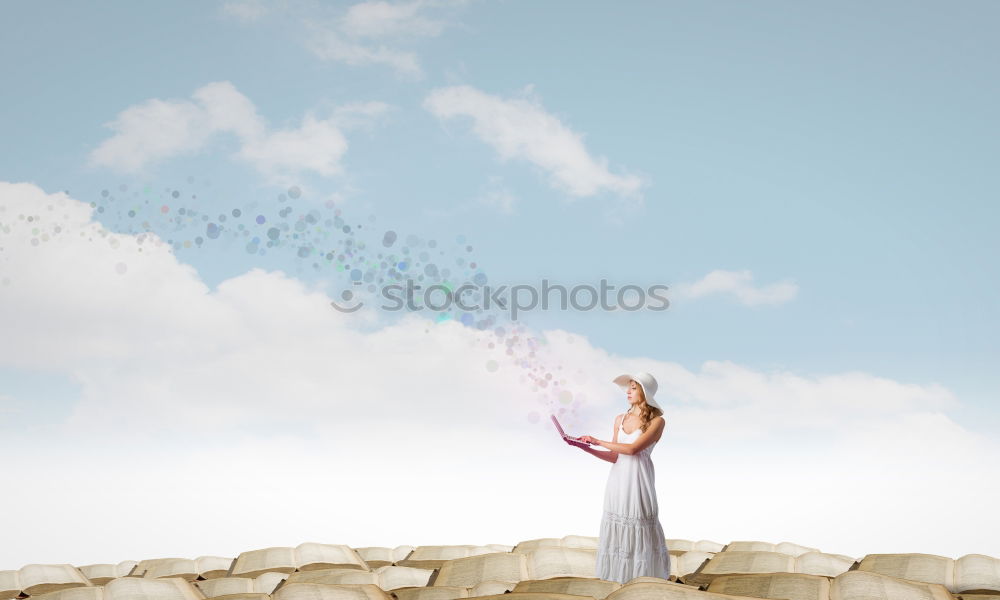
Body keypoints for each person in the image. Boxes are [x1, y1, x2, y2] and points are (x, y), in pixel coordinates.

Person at [568, 371, 670, 583]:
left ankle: (643, 583)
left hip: (638, 482)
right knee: (617, 527)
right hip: (618, 481)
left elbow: (632, 449)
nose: (628, 391)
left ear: (645, 392)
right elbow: (615, 456)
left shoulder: (657, 422)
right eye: (628, 388)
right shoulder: (619, 419)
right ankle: (617, 583)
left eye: (633, 388)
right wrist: (584, 447)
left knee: (639, 525)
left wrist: (597, 441)